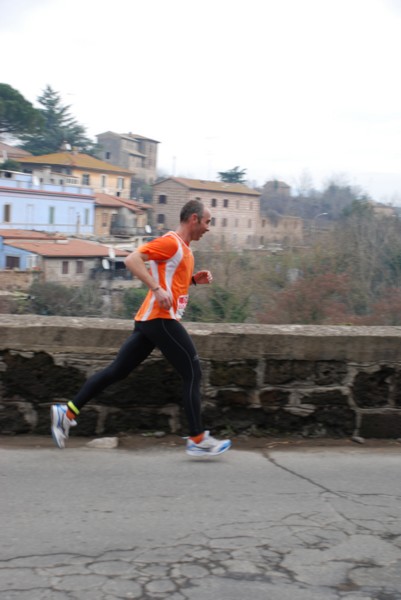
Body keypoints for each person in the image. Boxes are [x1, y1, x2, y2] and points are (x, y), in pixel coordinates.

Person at [51, 199, 231, 457]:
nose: (208, 228)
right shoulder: (170, 242)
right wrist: (155, 289)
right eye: (207, 222)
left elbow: (172, 284)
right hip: (160, 319)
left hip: (151, 320)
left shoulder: (185, 249)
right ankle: (198, 438)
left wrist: (192, 280)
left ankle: (66, 412)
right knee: (193, 372)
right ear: (193, 219)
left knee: (116, 372)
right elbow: (132, 259)